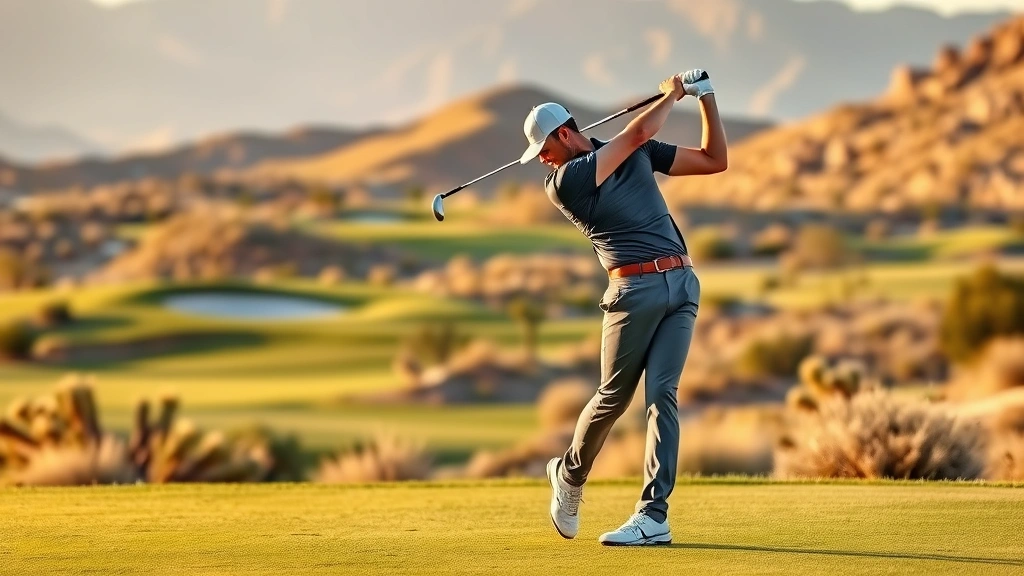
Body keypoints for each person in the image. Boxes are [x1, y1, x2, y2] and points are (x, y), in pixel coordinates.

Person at [518, 69, 727, 546]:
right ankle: (570, 475)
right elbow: (636, 133)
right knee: (614, 396)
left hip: (682, 285)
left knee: (663, 397)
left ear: (564, 134)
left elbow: (715, 160)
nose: (541, 160)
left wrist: (706, 97)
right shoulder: (563, 182)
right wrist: (672, 94)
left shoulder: (638, 153)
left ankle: (654, 516)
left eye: (543, 149)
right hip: (632, 293)